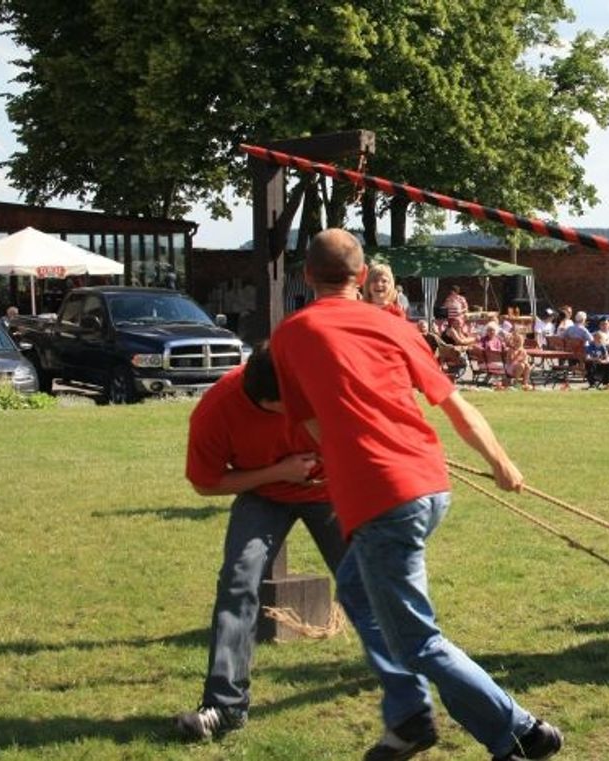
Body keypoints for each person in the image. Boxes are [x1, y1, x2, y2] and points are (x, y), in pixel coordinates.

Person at [269, 229, 562, 761]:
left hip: (383, 499)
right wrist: (500, 461)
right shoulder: (391, 324)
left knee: (417, 640)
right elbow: (453, 404)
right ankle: (408, 715)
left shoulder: (290, 335)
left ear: (306, 277)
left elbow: (310, 423)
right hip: (429, 485)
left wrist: (345, 459)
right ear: (362, 278)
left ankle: (520, 730)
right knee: (357, 592)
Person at [175, 343, 348, 740]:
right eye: (287, 405)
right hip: (265, 495)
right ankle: (225, 706)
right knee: (238, 581)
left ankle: (409, 682)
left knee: (368, 582)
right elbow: (205, 483)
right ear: (262, 401)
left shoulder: (313, 384)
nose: (300, 409)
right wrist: (278, 473)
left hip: (330, 492)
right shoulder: (216, 411)